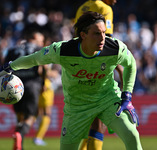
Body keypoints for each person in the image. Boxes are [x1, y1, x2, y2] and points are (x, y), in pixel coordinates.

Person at [0, 12, 143, 150]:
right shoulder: (63, 50)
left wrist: (127, 96)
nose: (103, 38)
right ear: (83, 35)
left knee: (132, 134)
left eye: (104, 32)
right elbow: (35, 58)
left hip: (108, 100)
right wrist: (11, 66)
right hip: (77, 107)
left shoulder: (115, 48)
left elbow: (131, 64)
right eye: (96, 33)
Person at [75, 1, 123, 149]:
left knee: (88, 119)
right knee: (98, 120)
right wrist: (119, 68)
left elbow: (77, 36)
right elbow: (104, 40)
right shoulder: (104, 8)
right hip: (97, 67)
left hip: (79, 64)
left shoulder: (83, 7)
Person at [2, 27, 45, 150]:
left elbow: (5, 68)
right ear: (32, 38)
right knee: (31, 115)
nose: (41, 43)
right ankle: (19, 134)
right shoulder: (38, 49)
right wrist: (42, 85)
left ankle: (19, 144)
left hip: (14, 86)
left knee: (20, 117)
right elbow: (42, 69)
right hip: (32, 84)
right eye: (40, 40)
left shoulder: (12, 49)